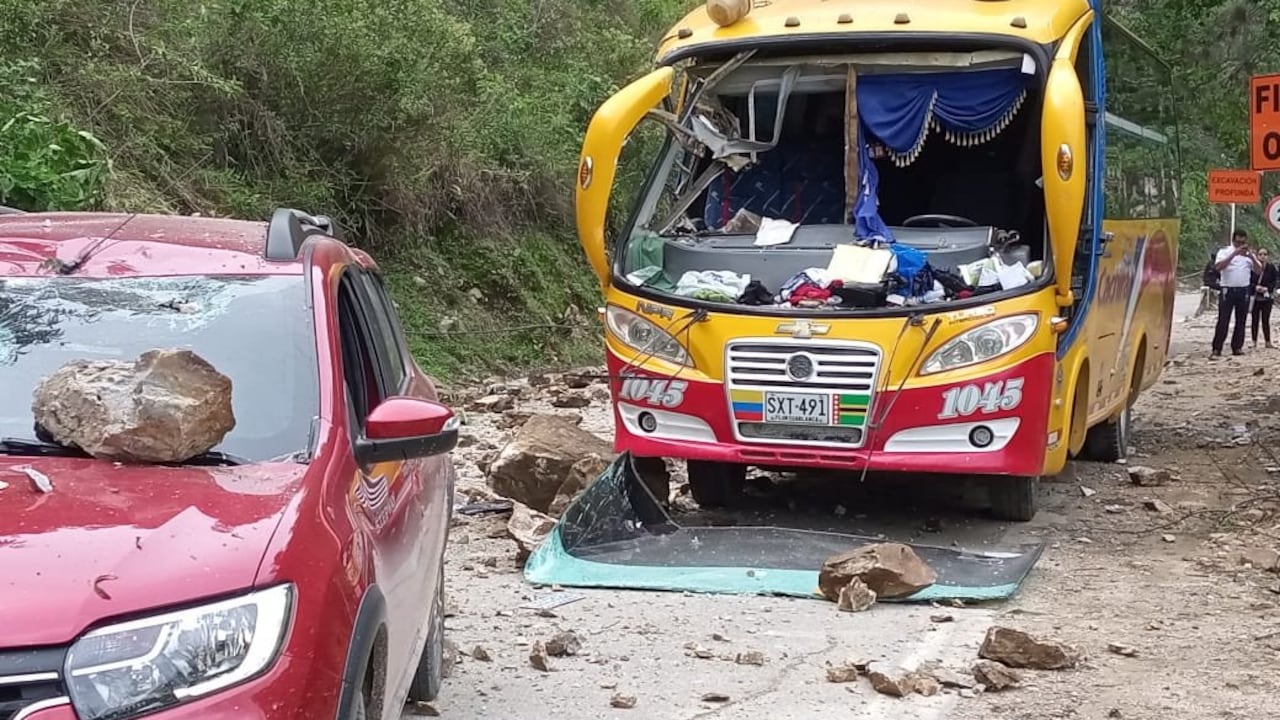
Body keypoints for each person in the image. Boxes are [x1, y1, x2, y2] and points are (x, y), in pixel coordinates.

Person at [1212, 229, 1262, 358]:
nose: (1240, 244)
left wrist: (1251, 256)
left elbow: (1258, 270)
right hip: (1227, 290)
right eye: (1238, 241)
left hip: (1243, 290)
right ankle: (1217, 348)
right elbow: (1218, 267)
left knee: (1241, 320)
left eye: (1243, 242)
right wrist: (1234, 254)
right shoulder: (1224, 252)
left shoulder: (1248, 255)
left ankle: (1237, 346)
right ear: (1233, 240)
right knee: (1223, 319)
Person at [1252, 247, 1278, 348]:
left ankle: (1268, 341)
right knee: (1255, 319)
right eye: (1260, 254)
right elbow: (1250, 281)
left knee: (1265, 319)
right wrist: (1256, 287)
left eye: (1265, 254)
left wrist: (1267, 288)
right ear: (1257, 256)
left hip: (1267, 298)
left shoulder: (1271, 267)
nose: (1263, 256)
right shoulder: (1253, 267)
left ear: (1268, 256)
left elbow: (1275, 280)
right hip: (1255, 297)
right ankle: (1254, 341)